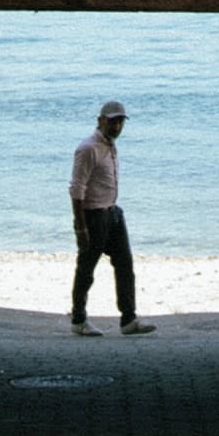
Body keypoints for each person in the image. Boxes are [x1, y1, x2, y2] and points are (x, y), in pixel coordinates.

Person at [68, 100, 156, 336]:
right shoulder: (88, 149)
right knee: (86, 269)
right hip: (94, 215)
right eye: (112, 121)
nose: (117, 126)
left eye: (120, 122)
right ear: (101, 121)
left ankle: (128, 319)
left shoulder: (110, 146)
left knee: (125, 265)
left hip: (113, 212)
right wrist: (80, 227)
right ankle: (78, 319)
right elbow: (77, 189)